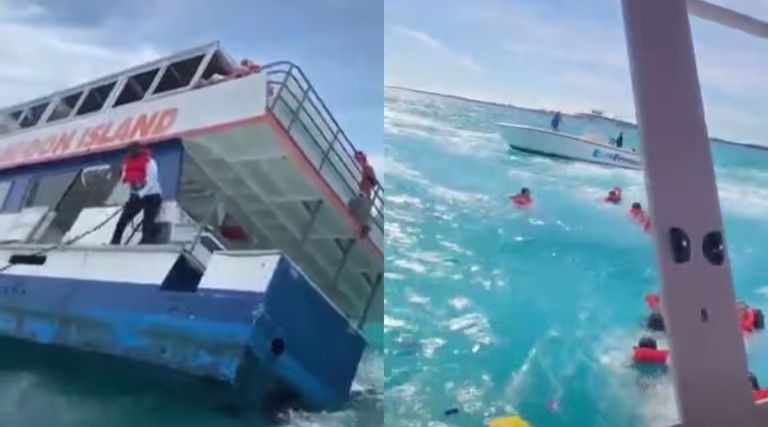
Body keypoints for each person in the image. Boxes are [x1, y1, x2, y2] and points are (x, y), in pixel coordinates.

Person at [110, 141, 163, 245]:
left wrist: (141, 193)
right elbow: (125, 180)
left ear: (139, 150)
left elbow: (151, 181)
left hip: (152, 196)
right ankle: (114, 242)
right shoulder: (127, 163)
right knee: (123, 220)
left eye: (133, 151)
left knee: (148, 223)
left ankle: (146, 241)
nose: (131, 153)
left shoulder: (149, 162)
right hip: (136, 195)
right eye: (129, 151)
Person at [348, 150, 378, 238]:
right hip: (360, 194)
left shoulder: (367, 168)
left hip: (364, 194)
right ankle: (363, 227)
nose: (358, 160)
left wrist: (369, 179)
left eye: (360, 159)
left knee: (367, 211)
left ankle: (365, 228)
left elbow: (374, 181)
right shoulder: (357, 168)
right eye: (357, 159)